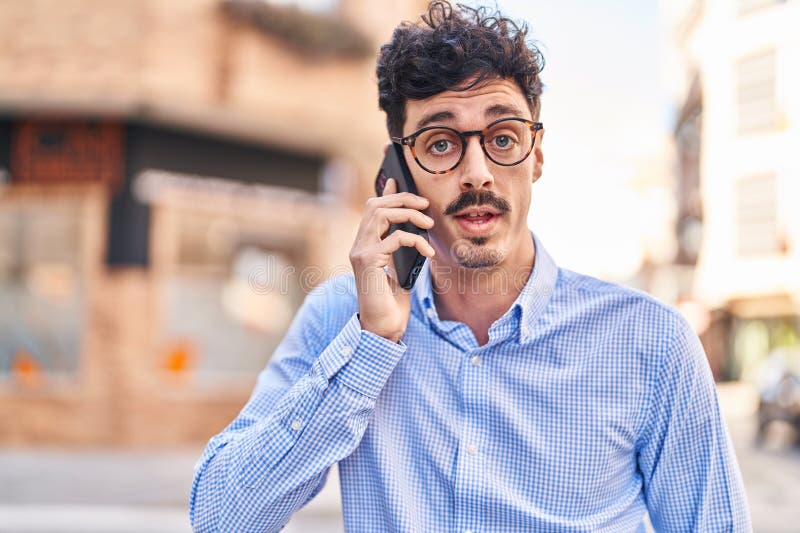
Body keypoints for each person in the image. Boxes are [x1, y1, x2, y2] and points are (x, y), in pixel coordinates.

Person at [190, 2, 751, 531]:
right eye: (440, 144)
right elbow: (220, 518)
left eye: (503, 137)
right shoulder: (341, 319)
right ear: (396, 173)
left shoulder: (653, 344)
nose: (478, 172)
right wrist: (370, 344)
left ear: (536, 156)